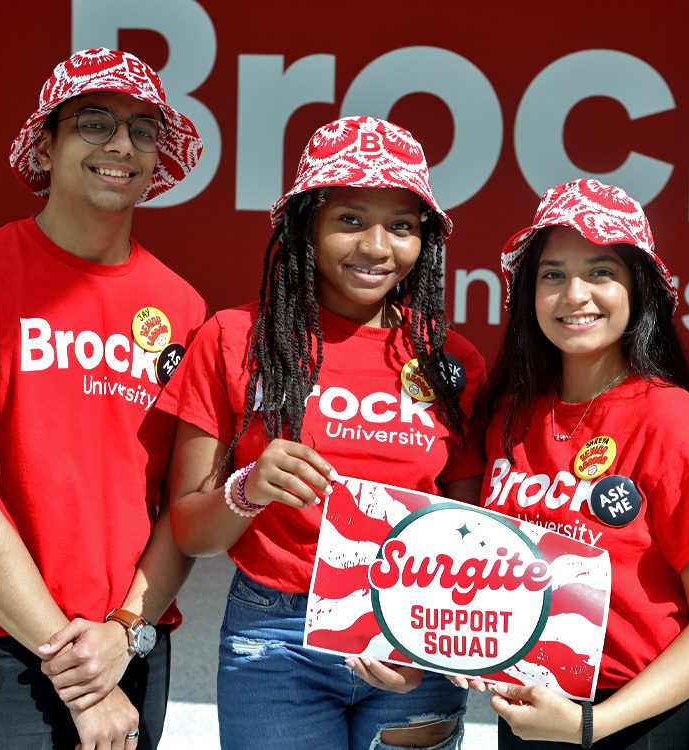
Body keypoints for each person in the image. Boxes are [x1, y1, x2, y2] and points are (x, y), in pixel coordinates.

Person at [0, 48, 207, 750]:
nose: (122, 144)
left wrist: (125, 633)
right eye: (95, 122)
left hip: (132, 644)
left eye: (144, 129)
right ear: (46, 144)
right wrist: (78, 670)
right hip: (7, 647)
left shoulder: (182, 306)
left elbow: (184, 507)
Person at [158, 115, 484, 750]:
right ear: (306, 224)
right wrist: (248, 488)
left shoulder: (452, 361)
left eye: (402, 226)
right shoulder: (234, 338)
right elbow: (188, 531)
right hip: (277, 639)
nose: (376, 247)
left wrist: (428, 641)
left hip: (415, 638)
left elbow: (473, 532)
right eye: (351, 219)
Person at [474, 179, 689, 748]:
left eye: (600, 272)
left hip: (640, 721)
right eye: (553, 274)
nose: (574, 294)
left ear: (638, 290)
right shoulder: (508, 413)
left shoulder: (675, 419)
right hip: (528, 714)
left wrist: (589, 725)